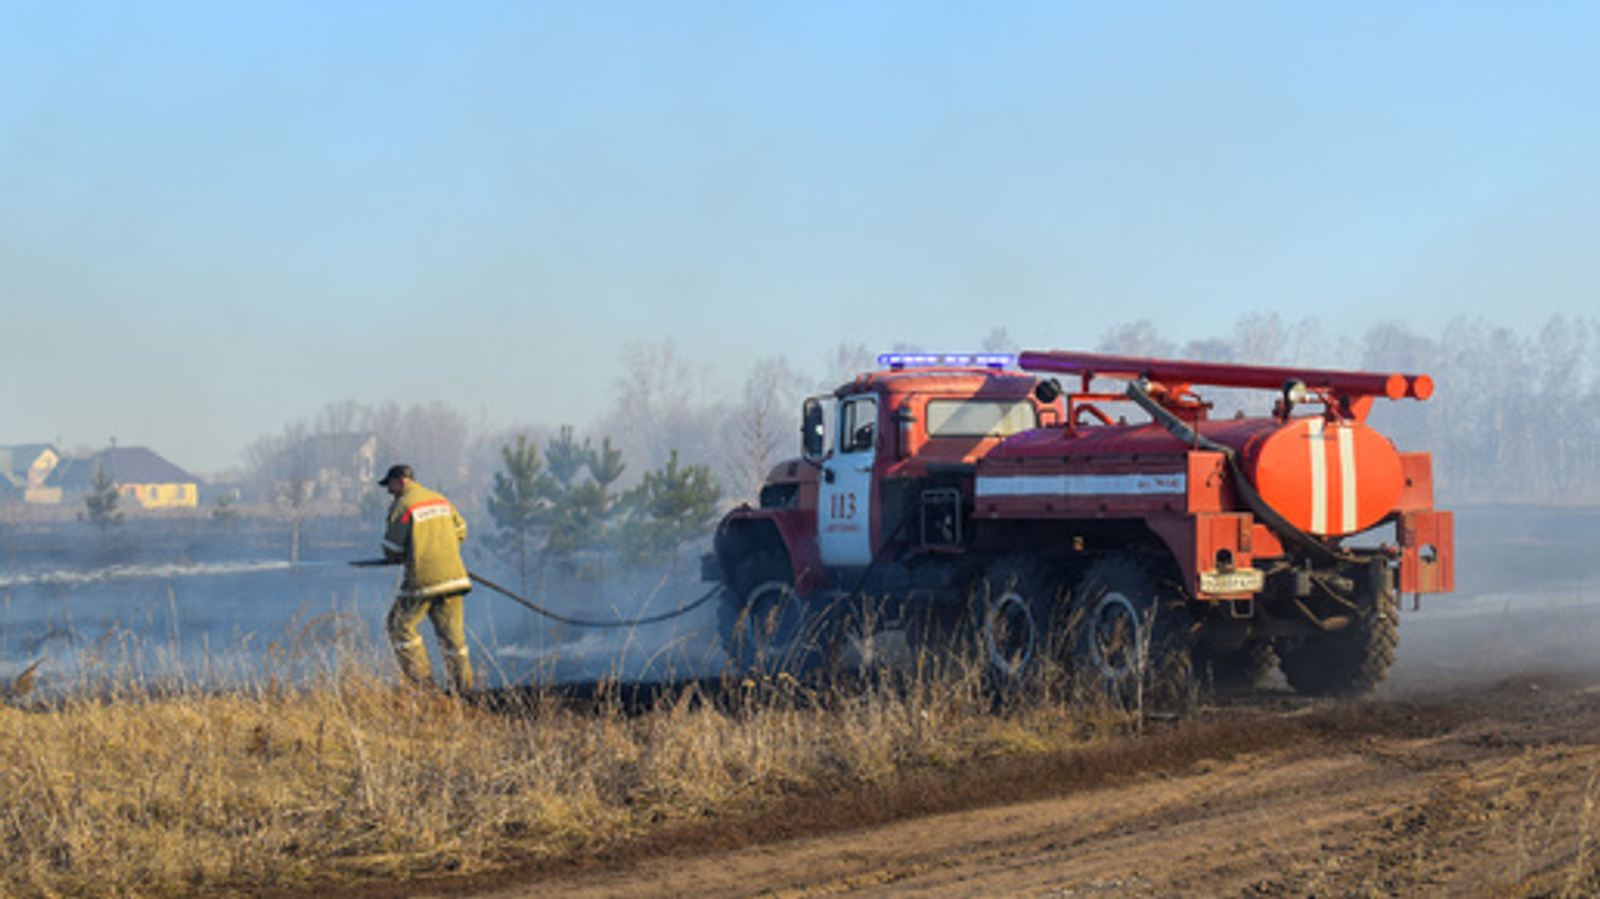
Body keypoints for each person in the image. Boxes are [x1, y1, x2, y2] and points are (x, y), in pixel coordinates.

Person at [378, 463, 475, 694]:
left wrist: (411, 553)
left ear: (401, 481)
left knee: (399, 626)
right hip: (454, 578)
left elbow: (392, 549)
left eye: (389, 485)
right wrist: (442, 549)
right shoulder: (440, 500)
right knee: (453, 639)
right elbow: (461, 529)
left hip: (423, 581)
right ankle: (464, 691)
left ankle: (424, 687)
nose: (388, 491)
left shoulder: (403, 506)